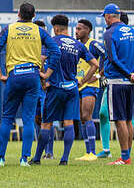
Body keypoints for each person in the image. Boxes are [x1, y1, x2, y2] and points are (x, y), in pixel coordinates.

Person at [0, 2, 61, 167]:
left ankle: (1, 159)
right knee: (29, 119)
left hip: (14, 75)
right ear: (34, 16)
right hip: (32, 76)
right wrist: (47, 74)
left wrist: (0, 73)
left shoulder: (9, 29)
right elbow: (56, 52)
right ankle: (24, 159)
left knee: (7, 118)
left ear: (18, 14)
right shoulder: (40, 31)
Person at [33, 15, 98, 166]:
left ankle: (37, 158)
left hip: (55, 88)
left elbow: (40, 60)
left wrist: (43, 78)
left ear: (55, 28)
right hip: (72, 89)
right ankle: (64, 159)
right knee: (69, 122)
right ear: (67, 27)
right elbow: (95, 64)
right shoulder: (78, 45)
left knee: (46, 124)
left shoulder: (52, 42)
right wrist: (83, 81)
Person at [101, 4, 134, 166]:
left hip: (117, 81)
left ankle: (125, 157)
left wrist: (128, 74)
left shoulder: (109, 33)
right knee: (128, 119)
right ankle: (127, 155)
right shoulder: (133, 32)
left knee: (119, 119)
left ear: (108, 16)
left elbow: (113, 59)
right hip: (132, 82)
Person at [73, 19, 105, 161]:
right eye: (76, 28)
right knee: (82, 118)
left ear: (88, 30)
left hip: (90, 85)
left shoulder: (93, 44)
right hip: (79, 83)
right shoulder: (77, 45)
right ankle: (87, 152)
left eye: (80, 29)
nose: (76, 31)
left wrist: (98, 75)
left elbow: (107, 57)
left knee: (87, 116)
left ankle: (92, 152)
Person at [29, 19, 54, 163]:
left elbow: (54, 63)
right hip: (33, 86)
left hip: (46, 88)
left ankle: (49, 151)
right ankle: (42, 150)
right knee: (38, 119)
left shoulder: (50, 46)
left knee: (47, 120)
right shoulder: (30, 46)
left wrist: (48, 79)